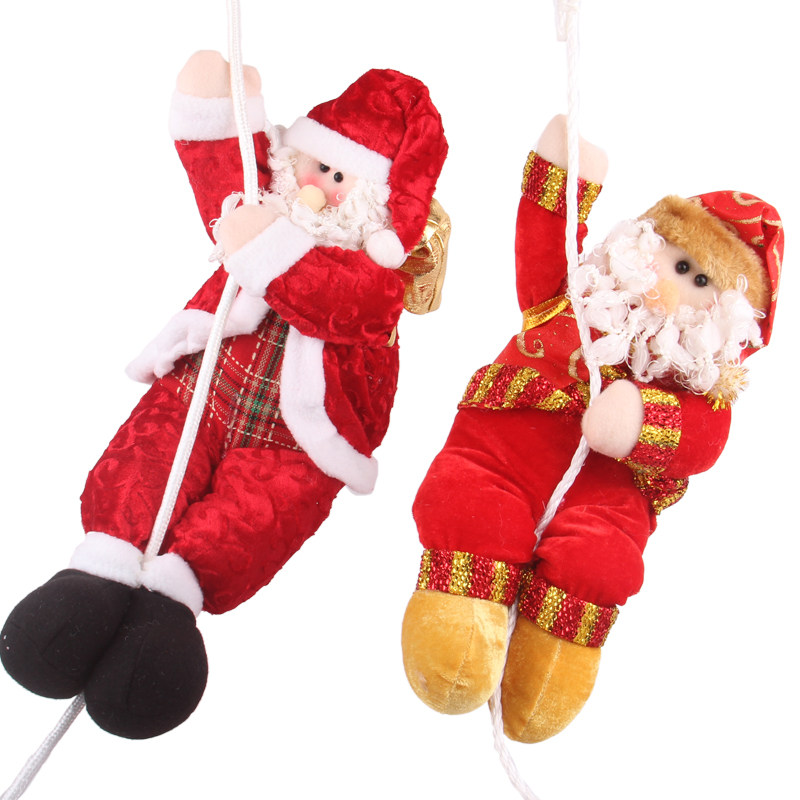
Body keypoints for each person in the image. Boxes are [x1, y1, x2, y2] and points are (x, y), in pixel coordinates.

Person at [1, 51, 447, 739]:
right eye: (317, 166)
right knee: (148, 460)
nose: (321, 188)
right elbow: (225, 176)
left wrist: (265, 245)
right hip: (203, 387)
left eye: (343, 178)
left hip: (297, 440)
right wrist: (220, 108)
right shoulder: (263, 207)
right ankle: (100, 572)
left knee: (257, 514)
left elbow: (338, 298)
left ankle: (171, 606)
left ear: (383, 208)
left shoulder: (376, 286)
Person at [401, 114, 782, 744]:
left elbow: (704, 440)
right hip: (501, 452)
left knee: (599, 558)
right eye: (677, 262)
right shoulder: (575, 297)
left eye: (701, 283)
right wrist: (565, 172)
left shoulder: (701, 384)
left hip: (606, 500)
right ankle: (459, 624)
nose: (673, 289)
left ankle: (549, 663)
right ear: (644, 245)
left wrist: (638, 421)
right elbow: (544, 241)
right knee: (472, 505)